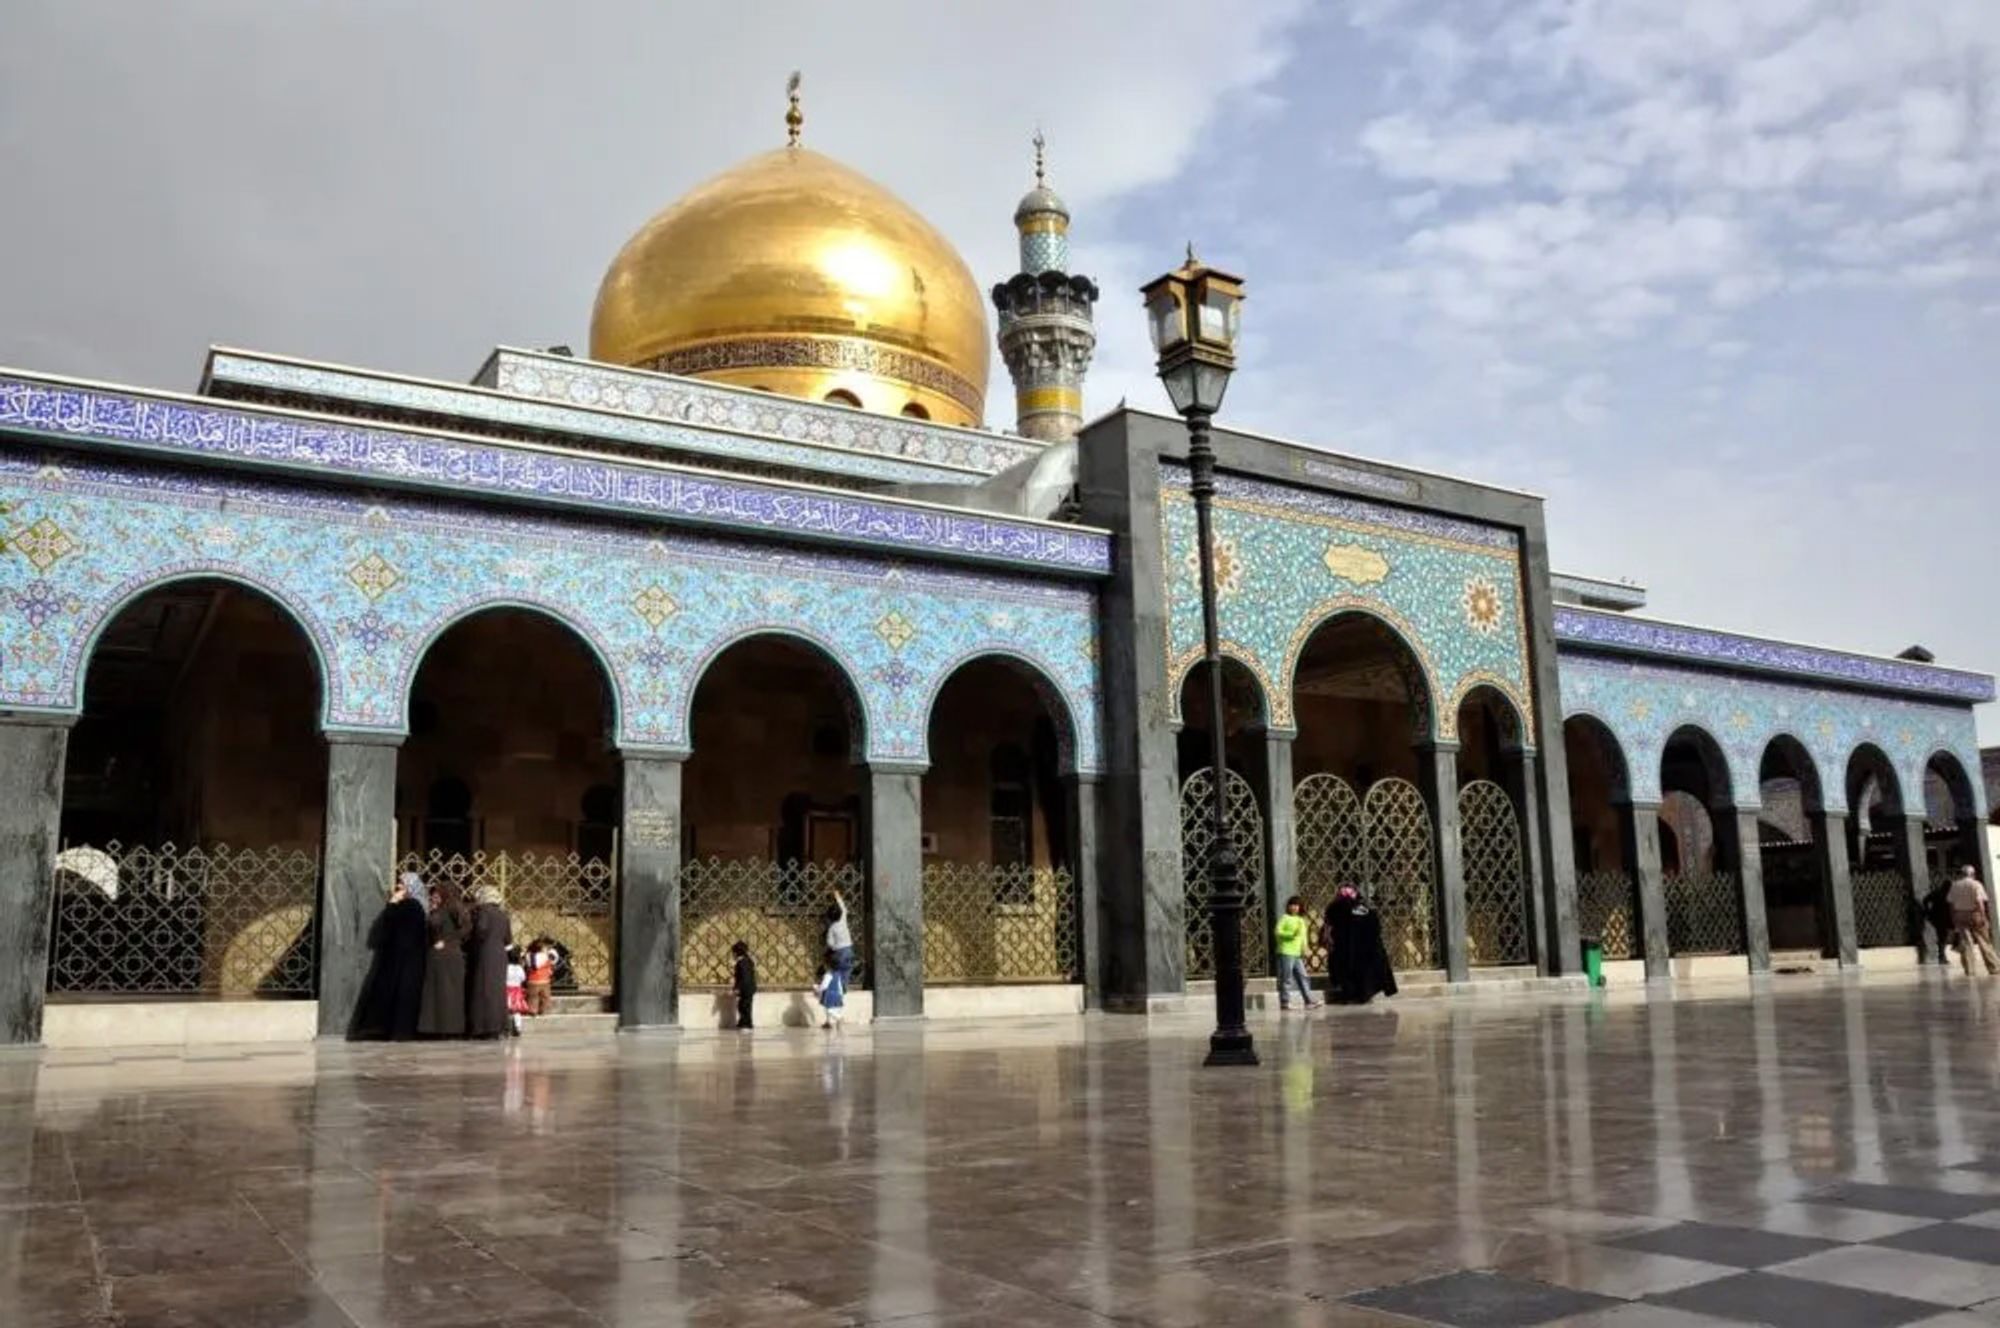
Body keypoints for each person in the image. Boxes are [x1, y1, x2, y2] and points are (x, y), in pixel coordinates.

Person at [352, 873, 428, 1040]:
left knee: (401, 994)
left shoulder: (411, 905)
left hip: (404, 959)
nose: (398, 888)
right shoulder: (416, 906)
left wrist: (392, 903)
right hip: (406, 959)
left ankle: (396, 1031)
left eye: (402, 884)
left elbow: (391, 921)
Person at [1323, 886, 1398, 1005]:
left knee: (1347, 972)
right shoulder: (1366, 910)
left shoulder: (1335, 908)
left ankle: (1352, 994)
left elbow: (1330, 927)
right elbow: (1376, 929)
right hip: (1367, 950)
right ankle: (1364, 994)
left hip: (1345, 949)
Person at [417, 878, 469, 1038]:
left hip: (449, 957)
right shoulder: (438, 909)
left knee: (449, 993)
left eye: (437, 894)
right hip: (437, 959)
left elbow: (466, 929)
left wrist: (447, 941)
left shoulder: (454, 907)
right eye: (433, 894)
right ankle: (435, 1028)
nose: (434, 896)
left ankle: (450, 1029)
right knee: (436, 994)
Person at [465, 884, 514, 1038]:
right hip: (500, 955)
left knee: (483, 989)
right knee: (497, 991)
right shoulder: (502, 914)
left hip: (486, 953)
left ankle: (483, 1027)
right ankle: (499, 1026)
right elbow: (508, 939)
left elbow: (481, 930)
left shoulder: (483, 912)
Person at [1946, 865, 2000, 977]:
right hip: (1974, 914)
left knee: (1966, 943)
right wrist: (1983, 917)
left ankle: (1969, 970)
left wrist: (1953, 917)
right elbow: (1980, 901)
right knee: (1984, 941)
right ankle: (1994, 967)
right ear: (1972, 874)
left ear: (1961, 873)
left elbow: (1951, 904)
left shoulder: (1955, 885)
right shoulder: (1976, 884)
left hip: (1959, 915)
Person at [1274, 895, 1320, 1011]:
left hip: (1297, 954)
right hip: (1286, 951)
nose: (1294, 907)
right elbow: (1277, 932)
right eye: (1292, 905)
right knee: (1286, 978)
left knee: (1303, 976)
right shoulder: (1285, 918)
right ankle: (1285, 1002)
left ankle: (1308, 1001)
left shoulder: (1301, 921)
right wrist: (1290, 935)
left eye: (1296, 905)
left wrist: (1305, 948)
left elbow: (1303, 937)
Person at [824, 888, 855, 999]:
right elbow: (842, 907)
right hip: (849, 950)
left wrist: (832, 948)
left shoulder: (832, 928)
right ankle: (844, 986)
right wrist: (837, 896)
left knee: (837, 969)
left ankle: (836, 987)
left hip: (839, 952)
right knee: (847, 969)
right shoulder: (843, 920)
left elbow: (829, 943)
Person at [523, 938, 556, 1016]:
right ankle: (542, 1010)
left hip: (532, 980)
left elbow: (532, 965)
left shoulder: (529, 956)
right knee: (545, 997)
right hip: (544, 980)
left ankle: (532, 1010)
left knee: (532, 997)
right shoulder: (545, 956)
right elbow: (553, 959)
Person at [815, 951, 846, 1030]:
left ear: (828, 966)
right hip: (837, 994)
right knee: (830, 1008)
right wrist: (841, 994)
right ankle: (828, 1022)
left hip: (829, 995)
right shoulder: (837, 974)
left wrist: (817, 988)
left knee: (829, 1010)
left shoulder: (828, 975)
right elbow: (840, 985)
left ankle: (839, 1018)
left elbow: (824, 986)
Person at [731, 940, 757, 1031]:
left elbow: (744, 977)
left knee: (744, 1006)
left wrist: (738, 988)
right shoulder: (747, 960)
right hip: (749, 987)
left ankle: (746, 1024)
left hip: (746, 988)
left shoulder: (742, 962)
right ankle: (744, 1023)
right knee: (744, 1005)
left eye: (733, 953)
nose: (733, 955)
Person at [505, 947, 528, 1037]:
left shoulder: (506, 967)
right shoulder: (519, 968)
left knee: (506, 1010)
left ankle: (506, 1028)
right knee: (517, 1011)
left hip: (507, 990)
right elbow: (523, 978)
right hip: (517, 991)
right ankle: (518, 1027)